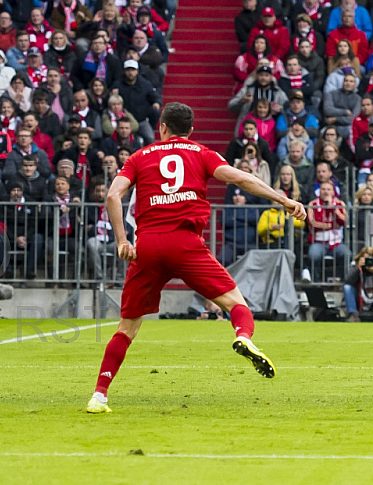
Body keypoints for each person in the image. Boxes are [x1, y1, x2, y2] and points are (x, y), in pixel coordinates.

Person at [86, 102, 307, 414]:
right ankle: (243, 336)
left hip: (147, 245)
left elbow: (112, 195)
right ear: (190, 130)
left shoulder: (139, 157)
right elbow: (241, 178)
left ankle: (99, 396)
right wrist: (282, 199)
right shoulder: (201, 153)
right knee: (236, 304)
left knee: (127, 328)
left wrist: (122, 240)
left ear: (161, 127)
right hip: (186, 244)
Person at [306, 181, 350, 282]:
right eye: (323, 189)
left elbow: (345, 221)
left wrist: (334, 209)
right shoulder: (312, 204)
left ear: (333, 192)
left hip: (336, 243)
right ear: (319, 191)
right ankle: (316, 282)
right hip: (319, 242)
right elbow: (312, 224)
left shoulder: (340, 204)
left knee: (346, 254)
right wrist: (331, 225)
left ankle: (342, 282)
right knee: (314, 255)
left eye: (328, 189)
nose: (326, 192)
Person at [343, 247, 373, 322]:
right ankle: (353, 314)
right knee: (347, 287)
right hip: (359, 296)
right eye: (365, 259)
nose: (368, 262)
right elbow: (348, 281)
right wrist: (358, 268)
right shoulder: (355, 266)